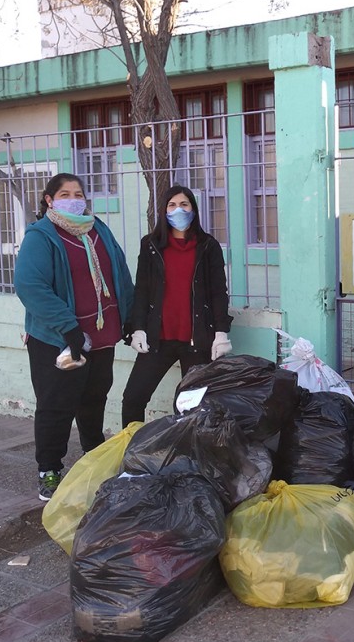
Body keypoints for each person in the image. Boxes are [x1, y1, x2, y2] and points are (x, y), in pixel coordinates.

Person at [15, 173, 134, 502]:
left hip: (100, 336)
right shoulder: (41, 236)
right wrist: (68, 327)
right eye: (64, 193)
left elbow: (120, 273)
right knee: (56, 405)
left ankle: (92, 458)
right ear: (49, 199)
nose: (73, 198)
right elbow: (30, 286)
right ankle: (49, 470)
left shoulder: (97, 230)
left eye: (78, 193)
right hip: (58, 338)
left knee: (94, 399)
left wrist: (130, 317)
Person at [121, 185, 233, 426]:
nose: (178, 210)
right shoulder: (151, 245)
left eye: (184, 204)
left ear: (193, 210)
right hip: (157, 339)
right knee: (133, 398)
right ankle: (131, 452)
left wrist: (221, 332)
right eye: (172, 205)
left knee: (189, 407)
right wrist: (137, 328)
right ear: (164, 211)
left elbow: (218, 292)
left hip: (197, 341)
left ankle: (188, 458)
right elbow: (142, 289)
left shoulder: (208, 246)